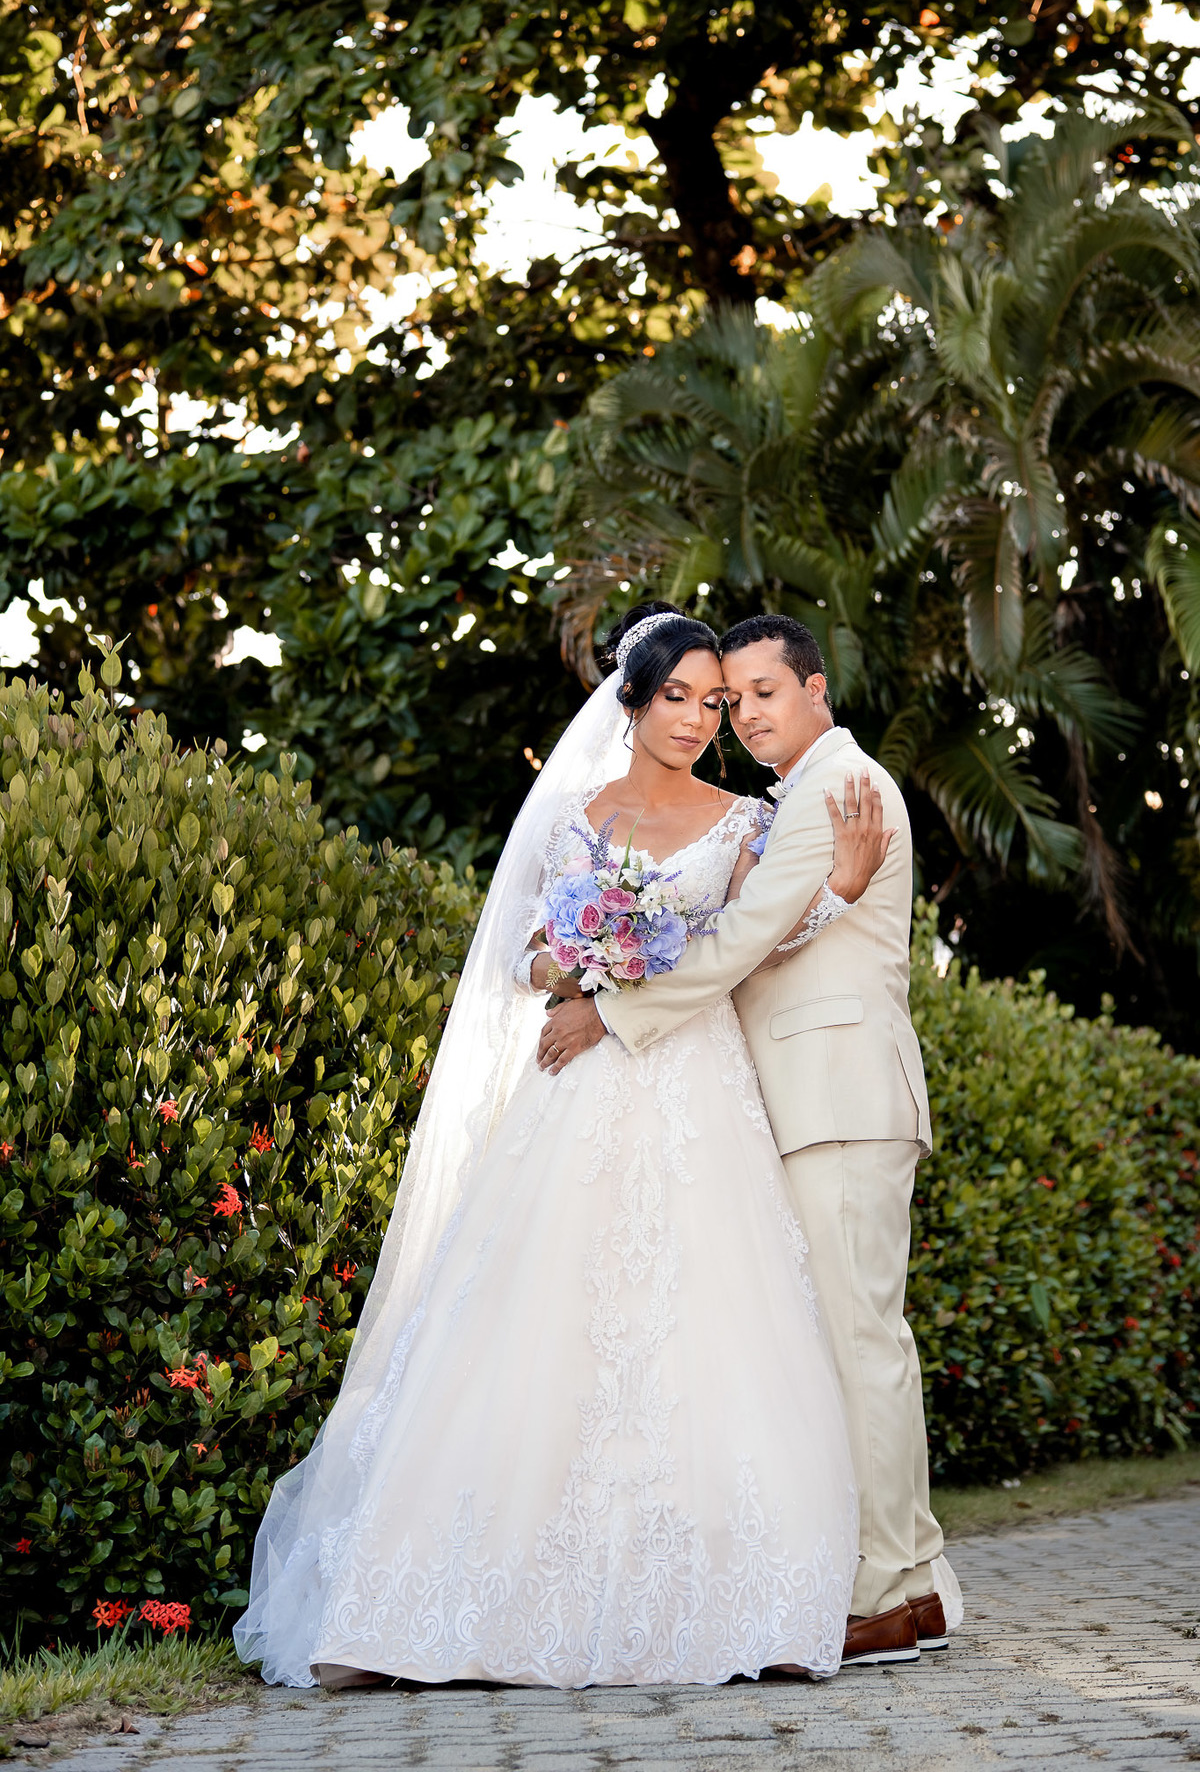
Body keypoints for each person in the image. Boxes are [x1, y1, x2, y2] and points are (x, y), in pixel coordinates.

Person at [234, 603, 889, 1690]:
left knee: (709, 1320)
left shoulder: (745, 819)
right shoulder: (576, 812)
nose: (697, 718)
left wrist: (840, 893)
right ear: (631, 701)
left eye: (716, 702)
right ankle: (448, 1605)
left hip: (695, 1089)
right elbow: (526, 949)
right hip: (577, 1086)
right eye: (676, 697)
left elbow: (750, 942)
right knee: (536, 1314)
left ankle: (728, 1607)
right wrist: (578, 970)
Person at [538, 614, 961, 1667]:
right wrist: (838, 893)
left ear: (817, 689)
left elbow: (737, 941)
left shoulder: (836, 788)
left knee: (863, 1346)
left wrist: (613, 1012)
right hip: (813, 1097)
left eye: (764, 692)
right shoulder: (803, 799)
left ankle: (890, 1586)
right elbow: (775, 932)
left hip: (841, 1097)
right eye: (736, 698)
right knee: (850, 1344)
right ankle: (906, 1580)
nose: (747, 714)